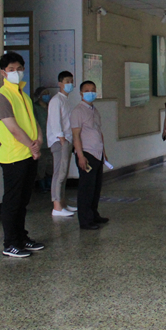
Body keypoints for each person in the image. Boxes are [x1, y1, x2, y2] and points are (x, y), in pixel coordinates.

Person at [0, 51, 45, 258]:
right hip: (14, 156)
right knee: (12, 201)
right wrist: (32, 146)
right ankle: (10, 243)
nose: (16, 72)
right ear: (3, 72)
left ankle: (22, 237)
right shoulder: (2, 96)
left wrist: (39, 140)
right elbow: (13, 128)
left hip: (28, 154)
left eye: (19, 68)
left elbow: (33, 121)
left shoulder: (23, 94)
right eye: (11, 69)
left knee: (23, 201)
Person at [70, 81, 109, 231]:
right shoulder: (78, 111)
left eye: (93, 90)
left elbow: (99, 132)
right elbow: (76, 135)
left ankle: (94, 214)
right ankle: (85, 220)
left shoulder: (94, 110)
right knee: (86, 189)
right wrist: (80, 155)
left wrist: (104, 152)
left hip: (97, 153)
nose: (90, 92)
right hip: (86, 153)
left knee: (95, 187)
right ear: (81, 93)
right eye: (87, 90)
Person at [48, 71, 77, 217]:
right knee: (59, 173)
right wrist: (62, 139)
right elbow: (55, 122)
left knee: (64, 173)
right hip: (59, 141)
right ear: (60, 83)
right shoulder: (56, 100)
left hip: (67, 139)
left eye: (71, 81)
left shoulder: (66, 100)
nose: (70, 84)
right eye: (67, 81)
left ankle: (63, 202)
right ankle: (57, 206)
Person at [32, 87, 53, 194]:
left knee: (50, 164)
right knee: (41, 164)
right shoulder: (35, 107)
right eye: (44, 93)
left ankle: (49, 183)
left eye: (48, 93)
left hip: (50, 139)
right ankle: (42, 184)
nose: (47, 95)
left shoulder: (50, 106)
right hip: (41, 140)